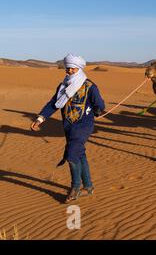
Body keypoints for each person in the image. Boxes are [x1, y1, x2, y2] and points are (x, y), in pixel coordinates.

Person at [30, 54, 105, 203]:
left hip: (84, 126)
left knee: (71, 154)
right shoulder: (63, 85)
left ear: (78, 68)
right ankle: (88, 187)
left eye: (71, 68)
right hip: (68, 126)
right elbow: (53, 103)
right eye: (67, 68)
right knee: (79, 154)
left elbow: (100, 105)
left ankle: (75, 187)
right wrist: (40, 119)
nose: (69, 71)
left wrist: (97, 111)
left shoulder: (90, 86)